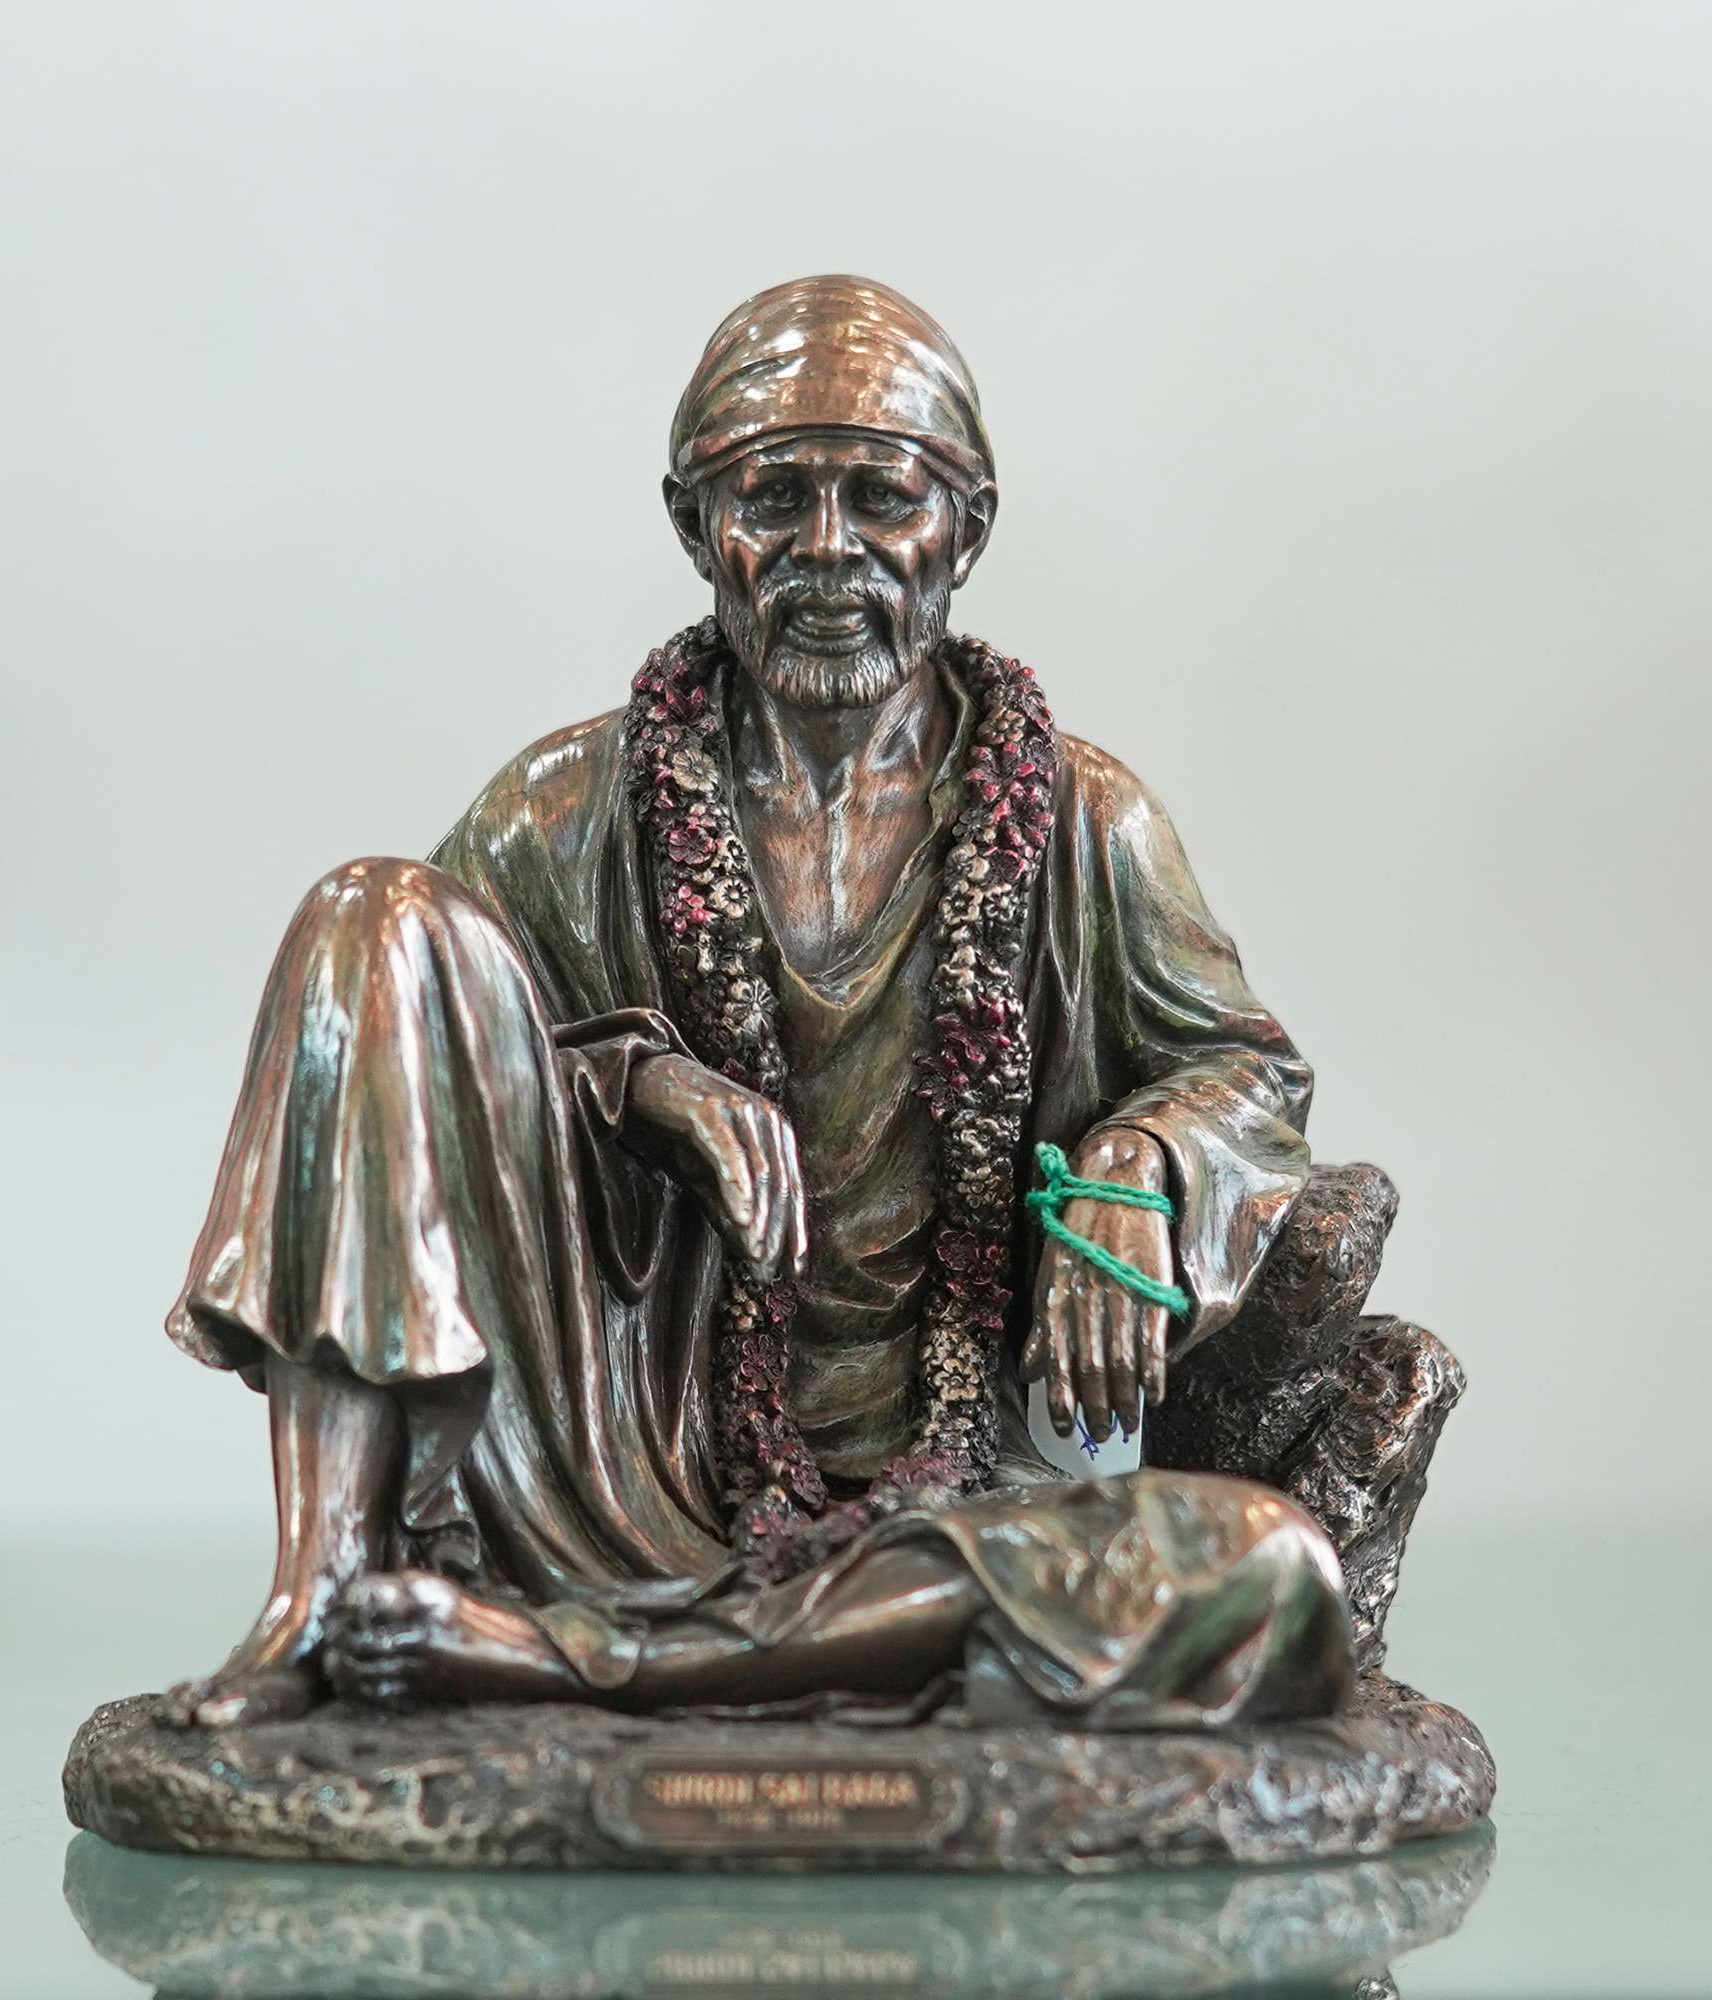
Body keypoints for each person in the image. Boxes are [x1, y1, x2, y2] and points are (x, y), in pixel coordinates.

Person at [160, 276, 1353, 1731]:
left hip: (957, 1510)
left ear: (967, 530)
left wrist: (1137, 1166)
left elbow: (1246, 1076)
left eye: (882, 498)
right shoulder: (560, 814)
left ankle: (569, 1659)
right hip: (616, 1440)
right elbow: (437, 1093)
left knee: (1267, 1566)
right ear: (694, 528)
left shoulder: (1085, 823)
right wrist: (642, 1084)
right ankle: (323, 1596)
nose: (828, 550)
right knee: (371, 915)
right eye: (776, 499)